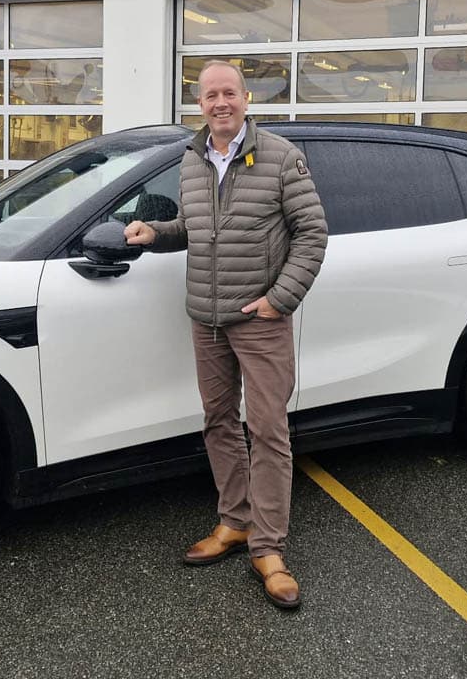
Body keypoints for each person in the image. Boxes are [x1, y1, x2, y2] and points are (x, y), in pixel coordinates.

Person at [124, 60, 327, 609]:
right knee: (218, 421)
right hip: (207, 319)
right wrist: (156, 233)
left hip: (260, 320)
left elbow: (313, 233)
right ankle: (235, 522)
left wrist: (279, 300)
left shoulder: (281, 157)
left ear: (246, 98)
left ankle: (269, 548)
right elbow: (196, 229)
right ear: (199, 104)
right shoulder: (192, 159)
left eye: (229, 93)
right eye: (210, 95)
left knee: (268, 431)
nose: (220, 103)